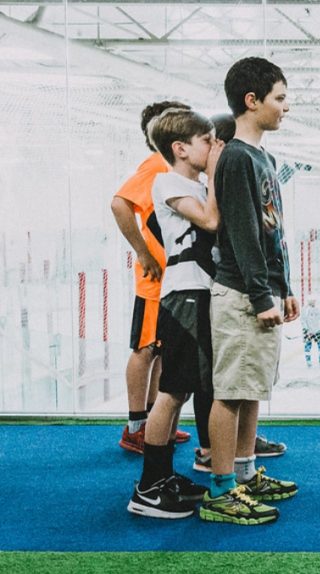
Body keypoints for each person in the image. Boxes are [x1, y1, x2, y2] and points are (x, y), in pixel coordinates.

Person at [202, 57, 298, 525]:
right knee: (230, 391)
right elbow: (240, 233)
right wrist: (262, 297)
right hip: (240, 294)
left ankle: (244, 472)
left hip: (260, 291)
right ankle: (221, 490)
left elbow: (272, 230)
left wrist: (285, 287)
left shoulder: (265, 157)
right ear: (252, 101)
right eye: (280, 98)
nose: (287, 107)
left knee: (252, 387)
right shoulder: (238, 157)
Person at [126, 109, 223, 519]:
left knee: (185, 388)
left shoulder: (195, 183)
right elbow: (210, 220)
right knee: (173, 390)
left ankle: (163, 476)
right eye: (207, 141)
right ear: (180, 148)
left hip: (201, 293)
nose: (213, 147)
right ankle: (149, 486)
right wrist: (218, 172)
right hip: (183, 295)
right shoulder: (167, 181)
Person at [111, 101, 192, 453]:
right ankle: (134, 428)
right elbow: (119, 204)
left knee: (160, 351)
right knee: (145, 349)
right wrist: (143, 253)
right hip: (154, 281)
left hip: (171, 279)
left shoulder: (173, 168)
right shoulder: (155, 164)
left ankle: (154, 422)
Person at [300, 298, 320, 367]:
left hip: (317, 330)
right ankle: (308, 361)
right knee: (308, 346)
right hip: (309, 331)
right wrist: (306, 330)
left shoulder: (317, 308)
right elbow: (303, 320)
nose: (314, 302)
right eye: (313, 301)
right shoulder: (305, 309)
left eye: (314, 301)